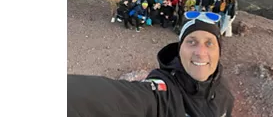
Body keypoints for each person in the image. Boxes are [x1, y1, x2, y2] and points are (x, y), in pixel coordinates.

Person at [68, 12, 234, 117]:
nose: (200, 52)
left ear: (219, 51)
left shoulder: (224, 92)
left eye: (210, 43)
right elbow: (117, 98)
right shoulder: (162, 95)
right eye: (191, 42)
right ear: (179, 50)